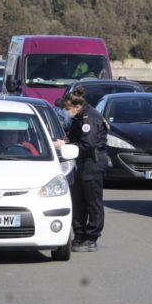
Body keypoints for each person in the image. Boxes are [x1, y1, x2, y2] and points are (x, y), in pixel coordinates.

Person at [54, 86, 108, 253]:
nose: (66, 112)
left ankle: (91, 238)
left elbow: (88, 144)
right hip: (82, 163)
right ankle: (79, 236)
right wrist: (68, 140)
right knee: (78, 201)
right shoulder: (80, 116)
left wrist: (66, 145)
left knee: (92, 202)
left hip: (92, 163)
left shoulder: (88, 119)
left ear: (76, 107)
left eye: (67, 109)